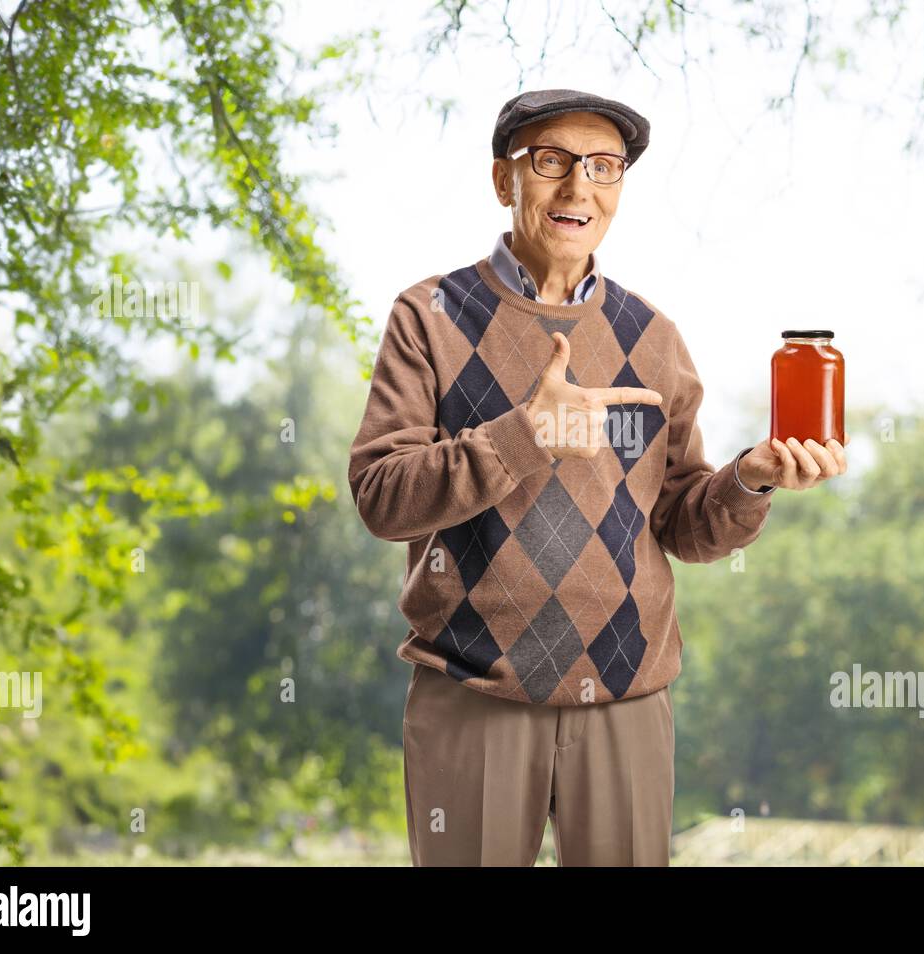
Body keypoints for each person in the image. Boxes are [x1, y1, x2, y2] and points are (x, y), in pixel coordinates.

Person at [348, 88, 847, 866]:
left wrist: (749, 479)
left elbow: (683, 522)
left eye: (604, 167)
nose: (579, 187)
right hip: (473, 690)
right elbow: (383, 497)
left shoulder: (654, 336)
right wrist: (522, 436)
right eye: (552, 162)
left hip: (626, 696)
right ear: (502, 179)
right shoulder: (430, 315)